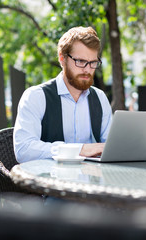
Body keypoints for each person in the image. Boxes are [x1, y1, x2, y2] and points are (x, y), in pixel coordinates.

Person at [13, 26, 112, 163]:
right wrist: (80, 150)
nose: (87, 70)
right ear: (62, 59)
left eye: (93, 62)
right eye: (81, 61)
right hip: (48, 181)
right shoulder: (36, 97)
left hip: (94, 181)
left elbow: (110, 147)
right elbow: (23, 150)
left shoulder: (100, 98)